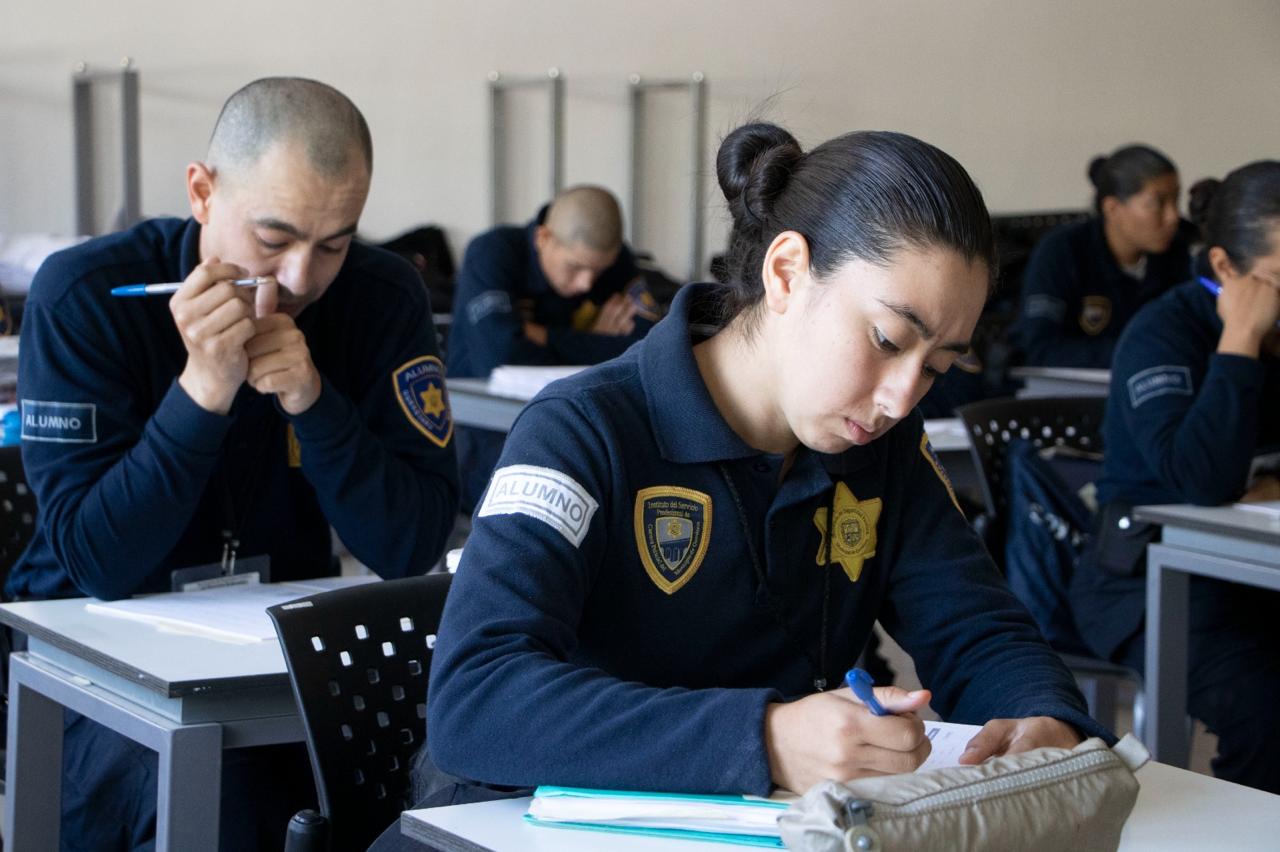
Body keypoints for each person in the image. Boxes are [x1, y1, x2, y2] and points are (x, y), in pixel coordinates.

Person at [409, 124, 1113, 822]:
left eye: (936, 367)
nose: (902, 397)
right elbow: (478, 701)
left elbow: (976, 628)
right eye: (887, 341)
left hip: (767, 827)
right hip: (530, 826)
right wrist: (766, 738)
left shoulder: (880, 447)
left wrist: (1042, 720)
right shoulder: (584, 427)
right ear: (786, 273)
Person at [9, 77, 459, 850]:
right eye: (274, 238)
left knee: (438, 786)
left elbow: (408, 544)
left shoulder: (382, 296)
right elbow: (97, 563)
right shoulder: (85, 296)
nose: (298, 278)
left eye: (335, 243)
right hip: (86, 665)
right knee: (232, 804)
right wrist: (201, 394)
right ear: (202, 191)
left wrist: (316, 406)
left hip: (279, 667)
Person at [1071, 161, 1280, 794]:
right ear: (1226, 270)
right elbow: (1200, 479)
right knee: (1268, 709)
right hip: (1150, 583)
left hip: (1253, 578)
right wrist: (1241, 338)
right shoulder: (1163, 334)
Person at [447, 186, 659, 513]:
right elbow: (500, 357)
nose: (586, 284)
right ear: (544, 238)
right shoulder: (493, 253)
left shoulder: (615, 261)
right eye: (575, 268)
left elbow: (646, 348)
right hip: (485, 433)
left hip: (576, 425)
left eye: (598, 272)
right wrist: (595, 339)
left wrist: (542, 335)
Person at [1011, 144, 1193, 367]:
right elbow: (1039, 347)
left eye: (1176, 200)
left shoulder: (1177, 254)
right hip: (1069, 395)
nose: (1173, 216)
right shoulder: (1062, 252)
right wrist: (1140, 351)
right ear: (1113, 208)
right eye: (1158, 204)